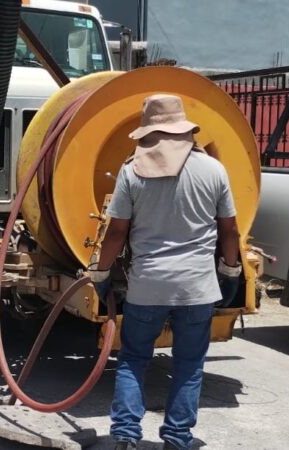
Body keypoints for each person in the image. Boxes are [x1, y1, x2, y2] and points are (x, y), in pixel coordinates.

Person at [88, 94, 242, 450]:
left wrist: (102, 273)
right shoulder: (214, 170)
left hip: (147, 288)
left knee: (133, 360)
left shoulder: (132, 171)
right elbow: (230, 230)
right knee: (188, 364)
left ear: (149, 133)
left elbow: (116, 232)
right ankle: (176, 439)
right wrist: (230, 271)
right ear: (185, 130)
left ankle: (125, 437)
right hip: (197, 289)